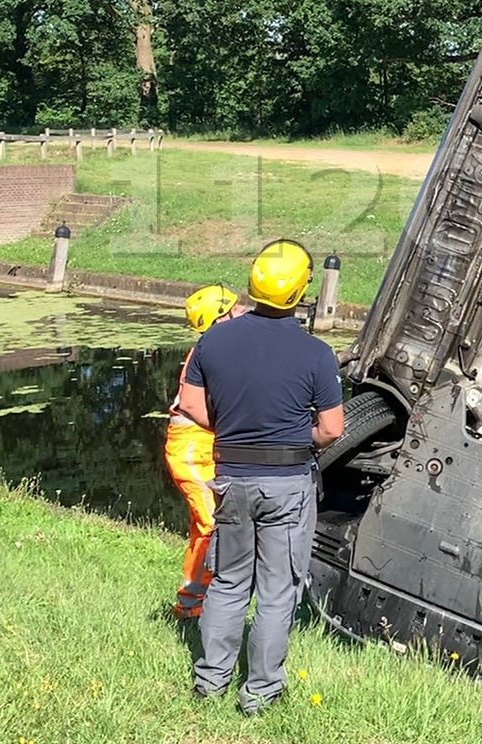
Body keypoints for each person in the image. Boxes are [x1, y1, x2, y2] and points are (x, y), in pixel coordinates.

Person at [182, 239, 344, 714]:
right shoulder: (316, 353)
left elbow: (191, 405)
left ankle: (209, 682)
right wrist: (299, 437)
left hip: (231, 478)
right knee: (277, 591)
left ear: (253, 284)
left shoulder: (213, 339)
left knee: (229, 582)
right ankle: (259, 694)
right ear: (299, 291)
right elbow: (332, 428)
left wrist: (234, 430)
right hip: (288, 484)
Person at [166, 284, 247, 619]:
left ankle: (197, 598)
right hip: (191, 450)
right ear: (220, 319)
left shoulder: (222, 346)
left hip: (206, 445)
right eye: (234, 307)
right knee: (213, 523)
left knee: (208, 526)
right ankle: (192, 603)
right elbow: (195, 404)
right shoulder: (207, 353)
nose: (242, 309)